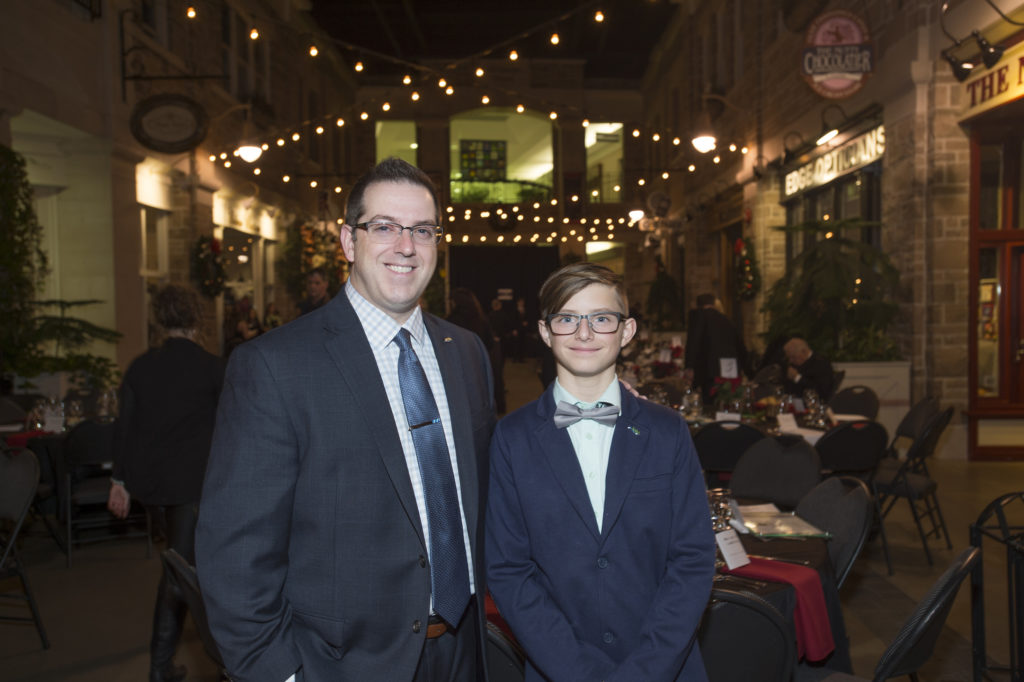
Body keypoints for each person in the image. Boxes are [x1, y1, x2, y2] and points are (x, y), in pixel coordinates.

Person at [195, 157, 497, 682]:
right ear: (348, 241)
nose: (406, 246)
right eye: (384, 227)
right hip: (341, 665)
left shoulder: (466, 351)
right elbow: (236, 553)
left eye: (423, 230)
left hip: (465, 650)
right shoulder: (275, 365)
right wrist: (280, 673)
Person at [486, 263, 715, 681]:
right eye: (567, 319)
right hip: (560, 669)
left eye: (601, 319)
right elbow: (509, 570)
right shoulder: (512, 438)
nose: (584, 334)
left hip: (665, 669)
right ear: (545, 331)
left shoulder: (667, 431)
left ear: (626, 332)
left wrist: (644, 672)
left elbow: (693, 560)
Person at [107, 284, 224, 682]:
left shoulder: (141, 366)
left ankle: (168, 665)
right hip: (193, 486)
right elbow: (232, 430)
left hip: (152, 488)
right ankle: (160, 669)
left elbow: (125, 428)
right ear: (195, 318)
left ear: (158, 319)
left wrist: (118, 480)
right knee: (179, 573)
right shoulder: (212, 367)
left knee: (180, 567)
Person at [447, 288, 505, 414]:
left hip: (458, 371)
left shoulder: (451, 321)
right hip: (479, 367)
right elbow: (490, 344)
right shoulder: (481, 319)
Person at [684, 293, 749, 402]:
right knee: (728, 398)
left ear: (698, 305)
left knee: (709, 400)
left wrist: (689, 366)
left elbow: (694, 341)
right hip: (730, 367)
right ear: (714, 304)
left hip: (708, 369)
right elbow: (740, 347)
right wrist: (748, 372)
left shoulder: (697, 316)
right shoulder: (726, 319)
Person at [783, 336, 836, 401]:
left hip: (813, 404)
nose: (790, 360)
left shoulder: (821, 363)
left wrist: (797, 377)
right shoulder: (794, 364)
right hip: (794, 403)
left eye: (793, 357)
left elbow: (821, 391)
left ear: (804, 352)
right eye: (789, 357)